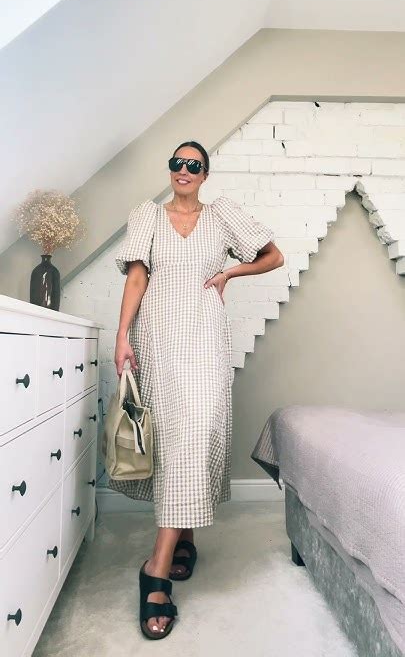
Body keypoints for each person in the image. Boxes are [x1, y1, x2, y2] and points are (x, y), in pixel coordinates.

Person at [113, 140, 284, 639]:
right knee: (175, 434)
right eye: (177, 163)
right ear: (170, 170)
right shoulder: (147, 215)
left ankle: (157, 563)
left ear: (205, 174)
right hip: (159, 334)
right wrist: (123, 336)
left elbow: (273, 256)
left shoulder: (222, 215)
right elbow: (137, 278)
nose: (184, 170)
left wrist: (231, 270)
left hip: (206, 335)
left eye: (194, 165)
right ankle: (172, 551)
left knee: (198, 427)